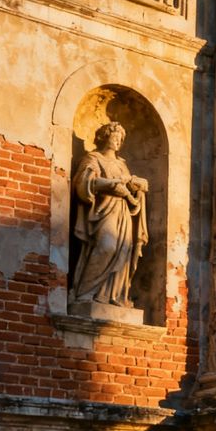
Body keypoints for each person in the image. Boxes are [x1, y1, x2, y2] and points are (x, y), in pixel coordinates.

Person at [71, 121, 148, 308]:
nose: (118, 141)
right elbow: (84, 182)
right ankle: (84, 293)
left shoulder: (122, 164)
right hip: (103, 210)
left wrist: (136, 187)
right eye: (115, 137)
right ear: (105, 137)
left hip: (123, 212)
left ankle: (112, 296)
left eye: (120, 138)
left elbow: (132, 185)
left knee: (123, 251)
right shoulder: (94, 158)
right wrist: (110, 184)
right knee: (107, 247)